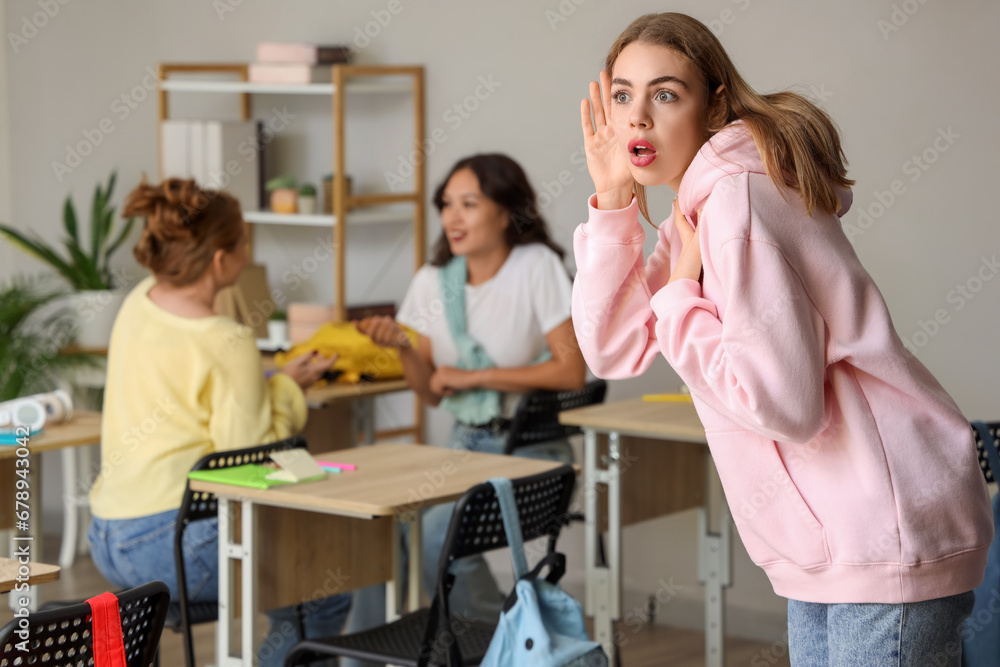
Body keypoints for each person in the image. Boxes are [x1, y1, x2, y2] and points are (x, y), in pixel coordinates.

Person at [572, 12, 992, 666]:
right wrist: (611, 203)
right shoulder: (696, 215)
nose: (637, 118)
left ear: (713, 105)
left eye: (665, 94)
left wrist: (682, 297)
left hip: (881, 534)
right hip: (836, 543)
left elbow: (787, 405)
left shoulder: (735, 198)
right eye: (623, 94)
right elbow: (613, 347)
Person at [87, 177, 349, 667]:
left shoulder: (139, 302)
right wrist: (290, 390)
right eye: (244, 241)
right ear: (219, 260)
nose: (249, 251)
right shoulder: (227, 339)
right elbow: (250, 457)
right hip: (173, 542)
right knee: (321, 589)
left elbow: (185, 387)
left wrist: (268, 381)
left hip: (106, 534)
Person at [344, 153, 586, 660]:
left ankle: (506, 642)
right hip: (465, 445)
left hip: (530, 451)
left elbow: (570, 370)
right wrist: (405, 348)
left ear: (505, 211)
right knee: (382, 530)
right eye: (446, 205)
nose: (453, 217)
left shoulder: (535, 266)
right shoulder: (436, 281)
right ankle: (361, 656)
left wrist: (477, 376)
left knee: (437, 536)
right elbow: (432, 392)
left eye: (469, 204)